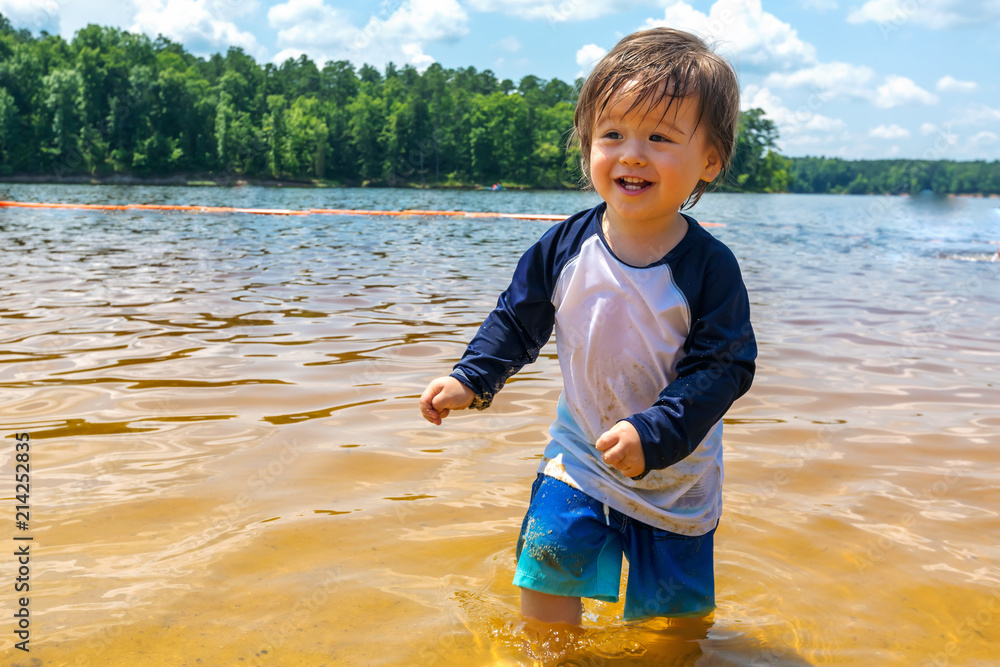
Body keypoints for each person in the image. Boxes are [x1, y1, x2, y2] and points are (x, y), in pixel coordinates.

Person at [418, 27, 756, 627]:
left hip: (677, 470)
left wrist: (654, 432)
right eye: (612, 134)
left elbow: (723, 369)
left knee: (671, 624)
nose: (631, 154)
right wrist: (470, 378)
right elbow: (517, 320)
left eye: (659, 137)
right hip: (580, 449)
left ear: (710, 160)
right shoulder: (565, 247)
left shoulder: (710, 269)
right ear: (587, 145)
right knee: (547, 566)